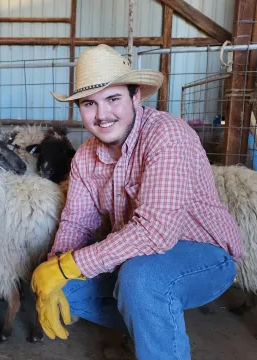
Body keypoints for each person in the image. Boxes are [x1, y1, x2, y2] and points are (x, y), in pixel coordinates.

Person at [30, 44, 242, 360]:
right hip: (137, 258)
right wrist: (55, 264)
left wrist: (69, 266)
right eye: (90, 103)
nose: (102, 115)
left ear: (136, 95)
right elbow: (77, 222)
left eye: (113, 99)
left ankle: (157, 335)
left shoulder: (167, 135)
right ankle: (150, 330)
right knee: (67, 287)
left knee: (142, 279)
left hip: (205, 254)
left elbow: (156, 232)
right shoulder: (86, 156)